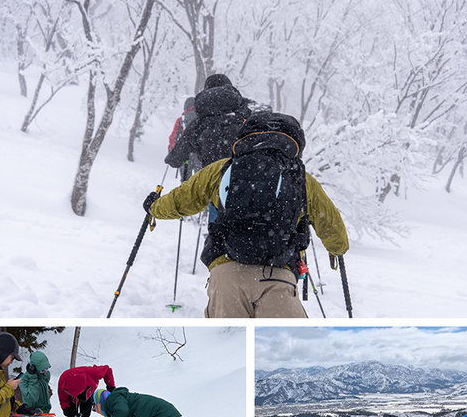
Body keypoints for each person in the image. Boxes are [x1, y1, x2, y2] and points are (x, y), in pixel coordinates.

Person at [145, 110, 349, 318]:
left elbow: (181, 201)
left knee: (229, 338)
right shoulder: (303, 179)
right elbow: (333, 227)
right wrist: (337, 249)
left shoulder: (222, 169)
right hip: (278, 276)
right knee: (280, 338)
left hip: (226, 275)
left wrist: (154, 207)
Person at [164, 74, 272, 177]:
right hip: (242, 178)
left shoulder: (198, 124)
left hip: (211, 180)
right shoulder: (247, 113)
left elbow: (175, 160)